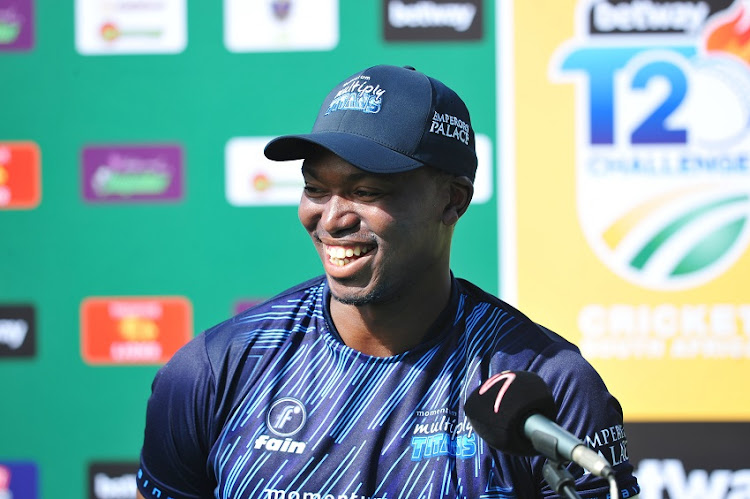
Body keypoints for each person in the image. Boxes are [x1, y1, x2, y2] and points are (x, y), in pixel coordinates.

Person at [136, 65, 641, 499]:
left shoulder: (550, 386)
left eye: (366, 190)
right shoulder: (213, 370)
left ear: (452, 201)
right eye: (316, 188)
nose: (331, 218)